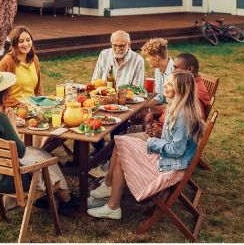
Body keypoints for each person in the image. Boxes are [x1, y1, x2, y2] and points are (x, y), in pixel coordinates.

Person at [87, 70, 206, 220]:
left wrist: (152, 142)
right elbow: (172, 141)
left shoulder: (182, 116)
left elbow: (176, 150)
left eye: (170, 84)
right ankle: (111, 195)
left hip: (169, 165)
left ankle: (113, 205)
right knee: (121, 142)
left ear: (180, 90)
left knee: (122, 152)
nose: (165, 85)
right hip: (166, 156)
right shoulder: (179, 107)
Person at [0, 65, 77, 212]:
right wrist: (12, 126)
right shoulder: (0, 118)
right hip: (9, 180)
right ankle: (66, 199)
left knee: (39, 153)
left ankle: (61, 197)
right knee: (45, 159)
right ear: (0, 93)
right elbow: (21, 152)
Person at [144, 52, 210, 128]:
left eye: (176, 67)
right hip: (163, 126)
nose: (173, 71)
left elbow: (189, 129)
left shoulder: (194, 94)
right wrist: (152, 113)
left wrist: (157, 131)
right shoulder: (187, 85)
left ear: (190, 69)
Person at [0, 26, 42, 109]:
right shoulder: (7, 61)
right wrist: (19, 105)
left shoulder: (34, 59)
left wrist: (41, 104)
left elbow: (38, 89)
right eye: (21, 41)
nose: (25, 44)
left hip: (33, 109)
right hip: (13, 110)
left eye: (28, 40)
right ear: (15, 44)